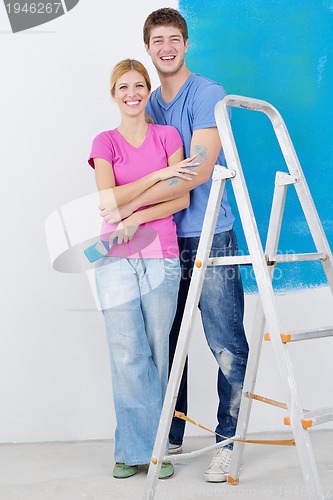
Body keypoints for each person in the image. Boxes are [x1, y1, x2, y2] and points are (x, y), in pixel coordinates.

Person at [100, 8, 249, 483]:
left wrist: (130, 205)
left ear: (185, 44)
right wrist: (140, 201)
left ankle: (229, 441)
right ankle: (172, 434)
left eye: (174, 38)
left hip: (209, 233)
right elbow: (139, 176)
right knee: (167, 343)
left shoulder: (206, 94)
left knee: (225, 341)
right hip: (158, 243)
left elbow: (197, 173)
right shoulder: (146, 103)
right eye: (157, 40)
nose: (166, 47)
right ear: (147, 48)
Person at [88, 58, 198, 480]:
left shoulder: (168, 135)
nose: (131, 94)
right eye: (123, 88)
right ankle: (131, 448)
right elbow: (106, 202)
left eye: (138, 86)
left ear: (147, 91)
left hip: (162, 255)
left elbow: (182, 199)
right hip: (113, 258)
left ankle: (155, 449)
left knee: (156, 349)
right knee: (125, 352)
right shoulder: (104, 142)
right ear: (113, 94)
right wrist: (160, 175)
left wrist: (133, 211)